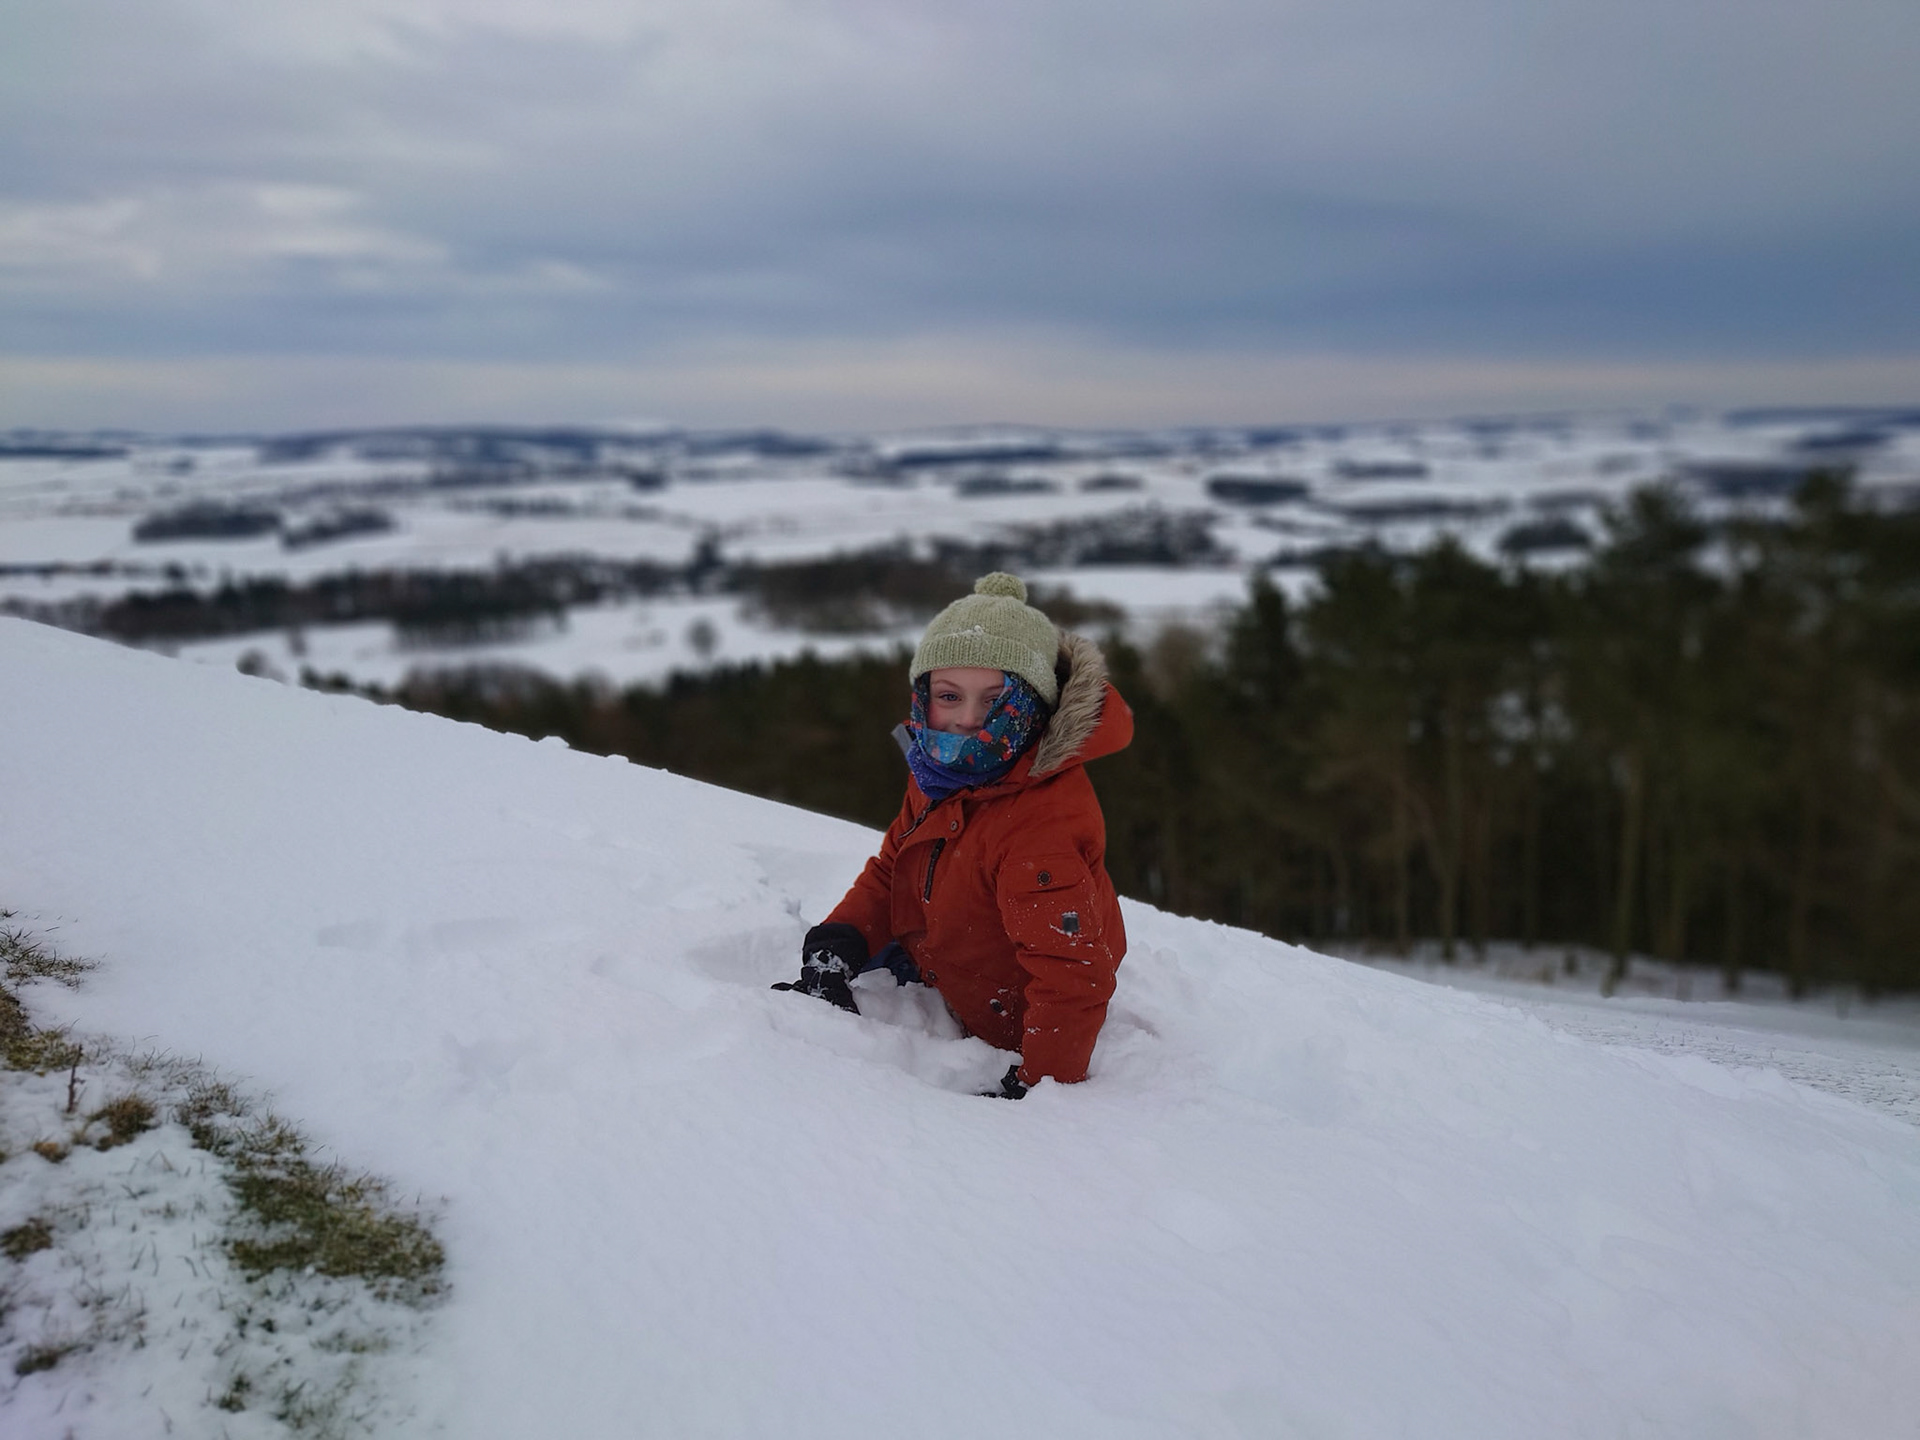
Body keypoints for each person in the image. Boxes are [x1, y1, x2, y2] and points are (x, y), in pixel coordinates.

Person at [773, 572, 1133, 1097]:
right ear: (924, 698)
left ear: (1034, 705)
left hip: (1008, 1012)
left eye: (994, 699)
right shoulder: (940, 772)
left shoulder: (1040, 825)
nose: (966, 719)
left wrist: (1040, 1085)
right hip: (946, 947)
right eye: (949, 695)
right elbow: (895, 869)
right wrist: (839, 943)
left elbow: (1072, 975)